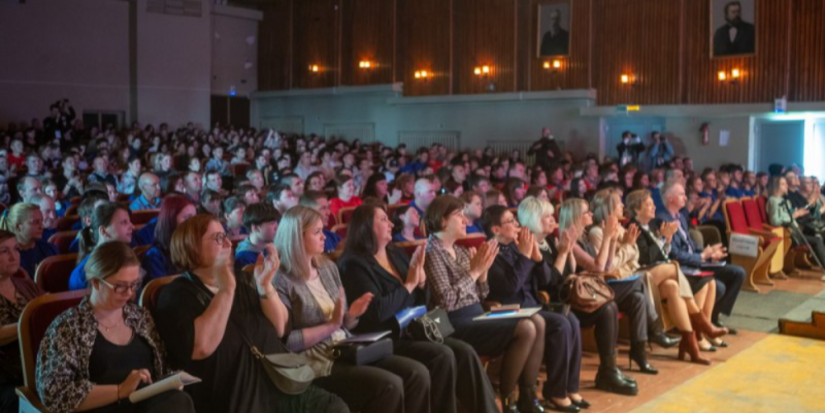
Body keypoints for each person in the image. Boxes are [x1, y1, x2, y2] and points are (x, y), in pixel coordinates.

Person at [154, 214, 347, 413]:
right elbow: (200, 347)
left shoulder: (244, 280)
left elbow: (280, 327)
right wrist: (226, 290)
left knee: (335, 408)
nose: (229, 243)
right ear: (190, 245)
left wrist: (264, 286)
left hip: (281, 384)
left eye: (226, 235)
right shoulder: (176, 294)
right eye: (218, 238)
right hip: (238, 398)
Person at [337, 204, 499, 413]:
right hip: (388, 337)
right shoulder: (354, 264)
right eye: (384, 220)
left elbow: (424, 301)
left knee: (464, 351)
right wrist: (410, 285)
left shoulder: (394, 253)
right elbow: (376, 312)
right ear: (366, 226)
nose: (391, 224)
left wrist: (421, 284)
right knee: (442, 355)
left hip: (416, 328)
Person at [274, 206, 429, 413]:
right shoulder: (282, 280)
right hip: (316, 361)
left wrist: (351, 316)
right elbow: (286, 342)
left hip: (346, 348)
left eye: (323, 230)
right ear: (297, 238)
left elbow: (344, 325)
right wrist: (332, 326)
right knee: (388, 385)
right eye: (317, 232)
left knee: (417, 373)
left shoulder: (327, 268)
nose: (324, 237)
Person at [36, 242, 195, 413]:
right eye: (120, 286)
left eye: (134, 284)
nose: (129, 293)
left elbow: (162, 366)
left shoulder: (140, 316)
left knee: (178, 400)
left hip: (147, 406)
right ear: (96, 283)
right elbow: (55, 394)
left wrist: (170, 381)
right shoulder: (69, 326)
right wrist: (120, 390)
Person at [423, 195, 546, 411]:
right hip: (453, 324)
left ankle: (526, 395)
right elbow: (445, 301)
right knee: (525, 328)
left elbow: (480, 295)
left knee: (536, 321)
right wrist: (475, 272)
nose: (465, 220)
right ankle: (509, 400)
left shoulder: (460, 251)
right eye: (458, 215)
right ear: (442, 221)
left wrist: (482, 277)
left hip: (476, 314)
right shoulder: (432, 253)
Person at [483, 201, 587, 412]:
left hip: (532, 306)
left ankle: (563, 389)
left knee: (572, 320)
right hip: (508, 309)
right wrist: (524, 255)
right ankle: (531, 395)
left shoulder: (516, 246)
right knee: (559, 323)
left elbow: (546, 281)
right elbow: (508, 287)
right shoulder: (489, 251)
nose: (517, 225)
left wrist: (538, 259)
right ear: (496, 230)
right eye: (511, 221)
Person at [627, 189, 730, 363]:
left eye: (653, 204)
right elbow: (646, 258)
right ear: (637, 210)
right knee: (674, 267)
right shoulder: (634, 228)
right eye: (649, 205)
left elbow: (662, 255)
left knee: (675, 287)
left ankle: (690, 343)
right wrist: (663, 238)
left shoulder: (651, 226)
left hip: (658, 275)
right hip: (641, 276)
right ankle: (703, 325)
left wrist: (666, 241)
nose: (654, 207)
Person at [657, 181, 746, 334]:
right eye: (681, 194)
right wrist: (702, 256)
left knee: (738, 273)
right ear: (671, 198)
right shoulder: (663, 220)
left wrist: (708, 252)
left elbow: (690, 245)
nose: (686, 198)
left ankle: (713, 317)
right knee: (719, 286)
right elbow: (674, 254)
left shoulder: (681, 216)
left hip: (697, 261)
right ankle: (704, 323)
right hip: (684, 266)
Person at [0, 230, 45, 411]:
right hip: (6, 380)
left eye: (16, 249)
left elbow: (46, 314)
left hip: (38, 370)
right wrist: (30, 323)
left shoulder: (27, 286)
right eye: (4, 251)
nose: (13, 256)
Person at [767, 176, 825, 280]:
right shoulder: (773, 201)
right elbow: (775, 221)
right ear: (776, 187)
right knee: (816, 240)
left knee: (817, 236)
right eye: (783, 184)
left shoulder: (782, 199)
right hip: (788, 233)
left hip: (795, 230)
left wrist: (797, 212)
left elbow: (788, 214)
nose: (786, 186)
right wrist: (795, 215)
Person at [69, 203, 135, 290]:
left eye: (129, 222)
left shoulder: (129, 259)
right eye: (124, 222)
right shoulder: (82, 275)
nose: (133, 227)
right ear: (103, 231)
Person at [140, 195, 197, 283]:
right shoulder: (155, 256)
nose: (194, 223)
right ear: (171, 220)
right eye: (187, 218)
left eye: (195, 218)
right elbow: (160, 291)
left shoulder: (195, 248)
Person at [0, 203, 58, 278]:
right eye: (35, 222)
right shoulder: (8, 257)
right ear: (18, 226)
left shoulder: (50, 249)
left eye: (41, 221)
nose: (41, 226)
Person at [235, 203, 280, 271]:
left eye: (276, 222)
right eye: (272, 223)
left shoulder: (272, 246)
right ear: (255, 228)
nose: (277, 227)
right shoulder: (244, 257)